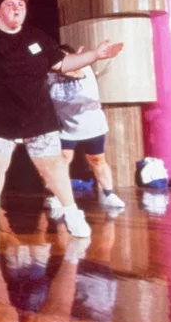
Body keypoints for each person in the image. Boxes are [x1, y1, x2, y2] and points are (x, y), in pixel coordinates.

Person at [0, 0, 123, 239]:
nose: (16, 8)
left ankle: (72, 214)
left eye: (21, 5)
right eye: (10, 4)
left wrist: (95, 55)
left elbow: (61, 64)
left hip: (38, 114)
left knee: (53, 166)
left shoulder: (37, 38)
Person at [47, 44, 126, 210]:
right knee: (62, 160)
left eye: (66, 57)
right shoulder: (50, 75)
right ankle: (58, 196)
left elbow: (75, 72)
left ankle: (109, 194)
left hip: (91, 124)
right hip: (66, 126)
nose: (62, 60)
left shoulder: (84, 68)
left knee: (97, 160)